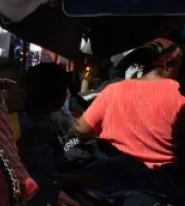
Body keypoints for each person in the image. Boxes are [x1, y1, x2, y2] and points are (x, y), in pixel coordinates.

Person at [74, 37, 185, 170]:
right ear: (167, 64)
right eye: (179, 65)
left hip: (111, 173)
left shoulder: (114, 89)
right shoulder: (180, 95)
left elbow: (81, 129)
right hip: (158, 179)